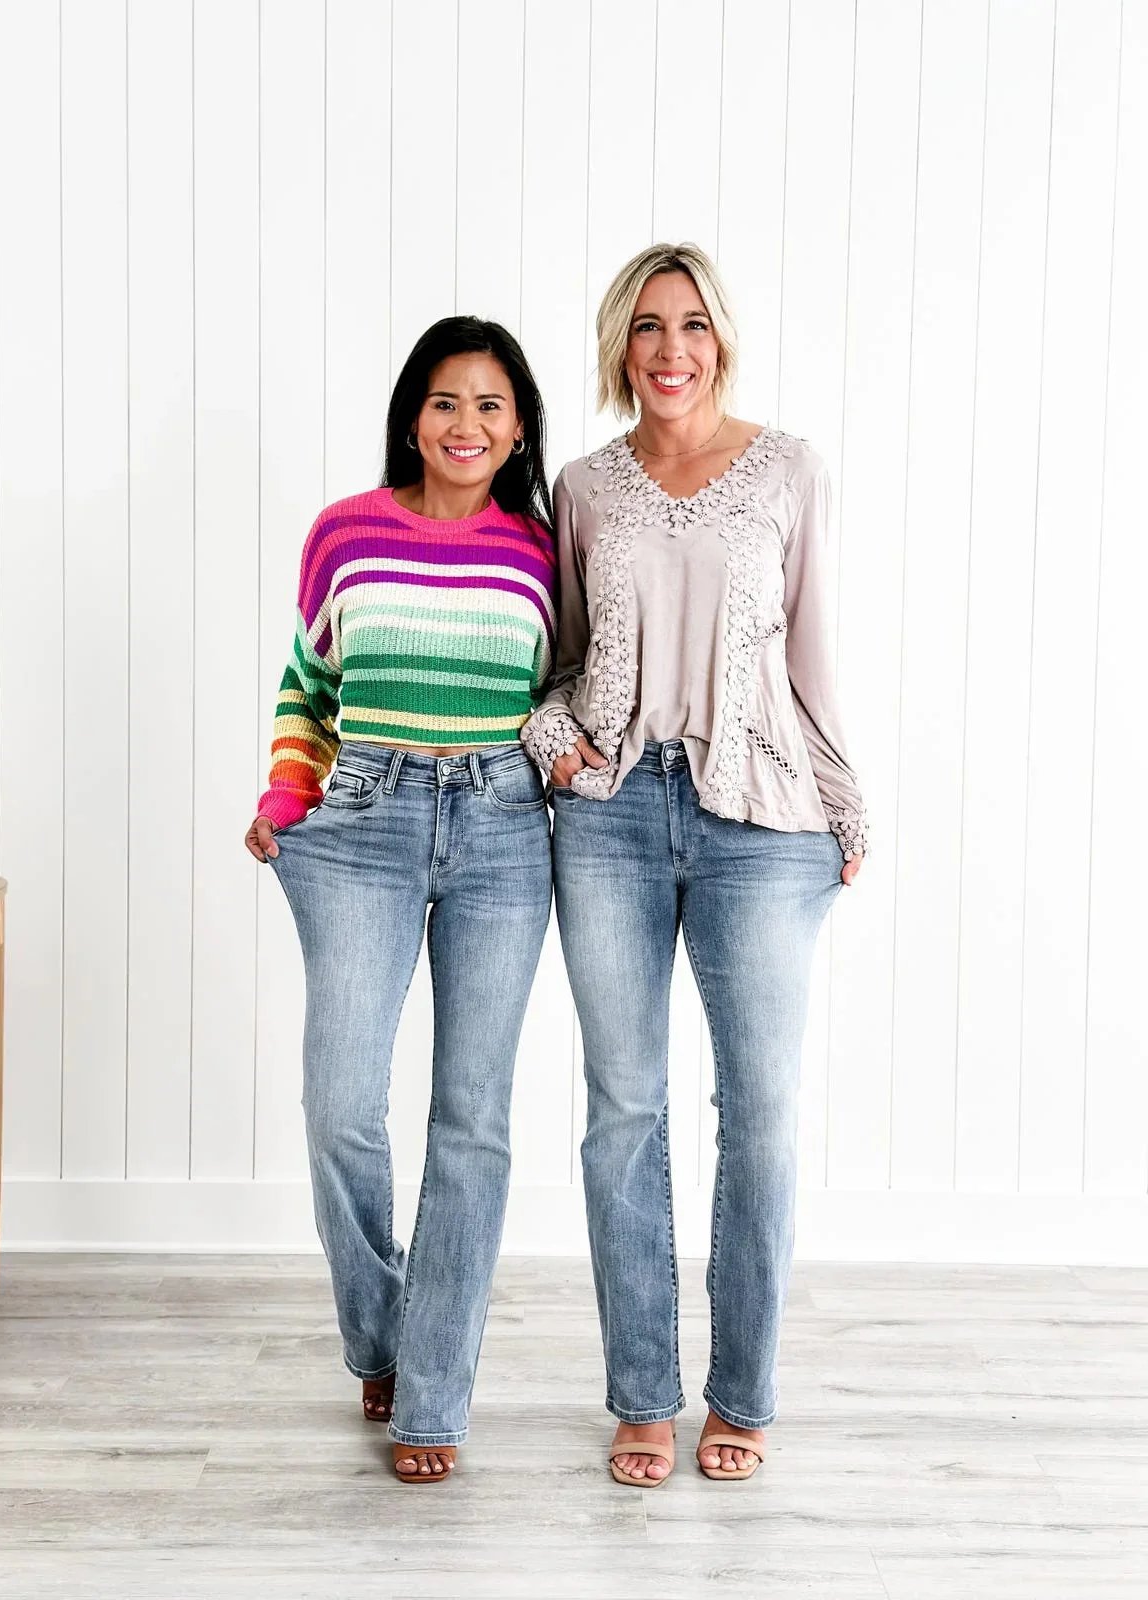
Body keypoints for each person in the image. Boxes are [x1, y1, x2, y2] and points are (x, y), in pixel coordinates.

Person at [520, 243, 867, 1487]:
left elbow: (813, 650)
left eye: (693, 326)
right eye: (649, 327)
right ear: (621, 346)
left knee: (759, 1111)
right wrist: (552, 738)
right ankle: (641, 1393)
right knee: (625, 1108)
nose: (673, 350)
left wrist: (843, 804)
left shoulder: (789, 469)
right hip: (610, 814)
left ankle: (743, 1392)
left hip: (762, 820)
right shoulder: (583, 487)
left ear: (722, 339)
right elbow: (557, 662)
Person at [246, 316, 556, 1483]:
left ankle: (432, 1388)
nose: (465, 423)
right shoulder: (346, 533)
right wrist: (285, 793)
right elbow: (308, 682)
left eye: (489, 404)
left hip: (502, 827)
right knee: (341, 1104)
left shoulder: (543, 552)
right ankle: (381, 1333)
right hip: (363, 823)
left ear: (518, 428)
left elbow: (567, 696)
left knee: (472, 1118)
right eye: (444, 400)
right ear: (412, 417)